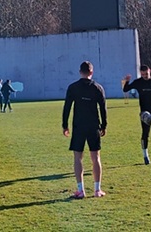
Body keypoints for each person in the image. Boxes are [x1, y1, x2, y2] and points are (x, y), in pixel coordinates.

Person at [62, 61, 107, 199]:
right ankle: (97, 190)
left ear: (80, 71)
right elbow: (103, 108)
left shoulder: (73, 87)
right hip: (93, 126)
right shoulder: (98, 88)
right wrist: (104, 125)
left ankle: (81, 190)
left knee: (78, 158)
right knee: (96, 157)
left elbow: (67, 107)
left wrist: (65, 125)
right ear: (91, 72)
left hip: (78, 126)